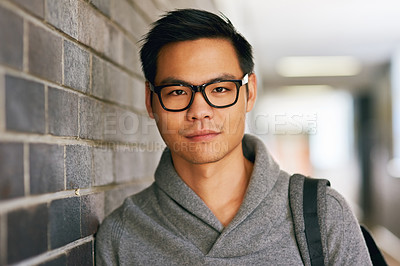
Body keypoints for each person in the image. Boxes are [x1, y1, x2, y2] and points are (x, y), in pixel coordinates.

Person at [95, 9, 372, 265]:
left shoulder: (323, 215)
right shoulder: (122, 235)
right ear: (150, 100)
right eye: (178, 92)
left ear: (249, 92)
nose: (199, 111)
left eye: (220, 89)